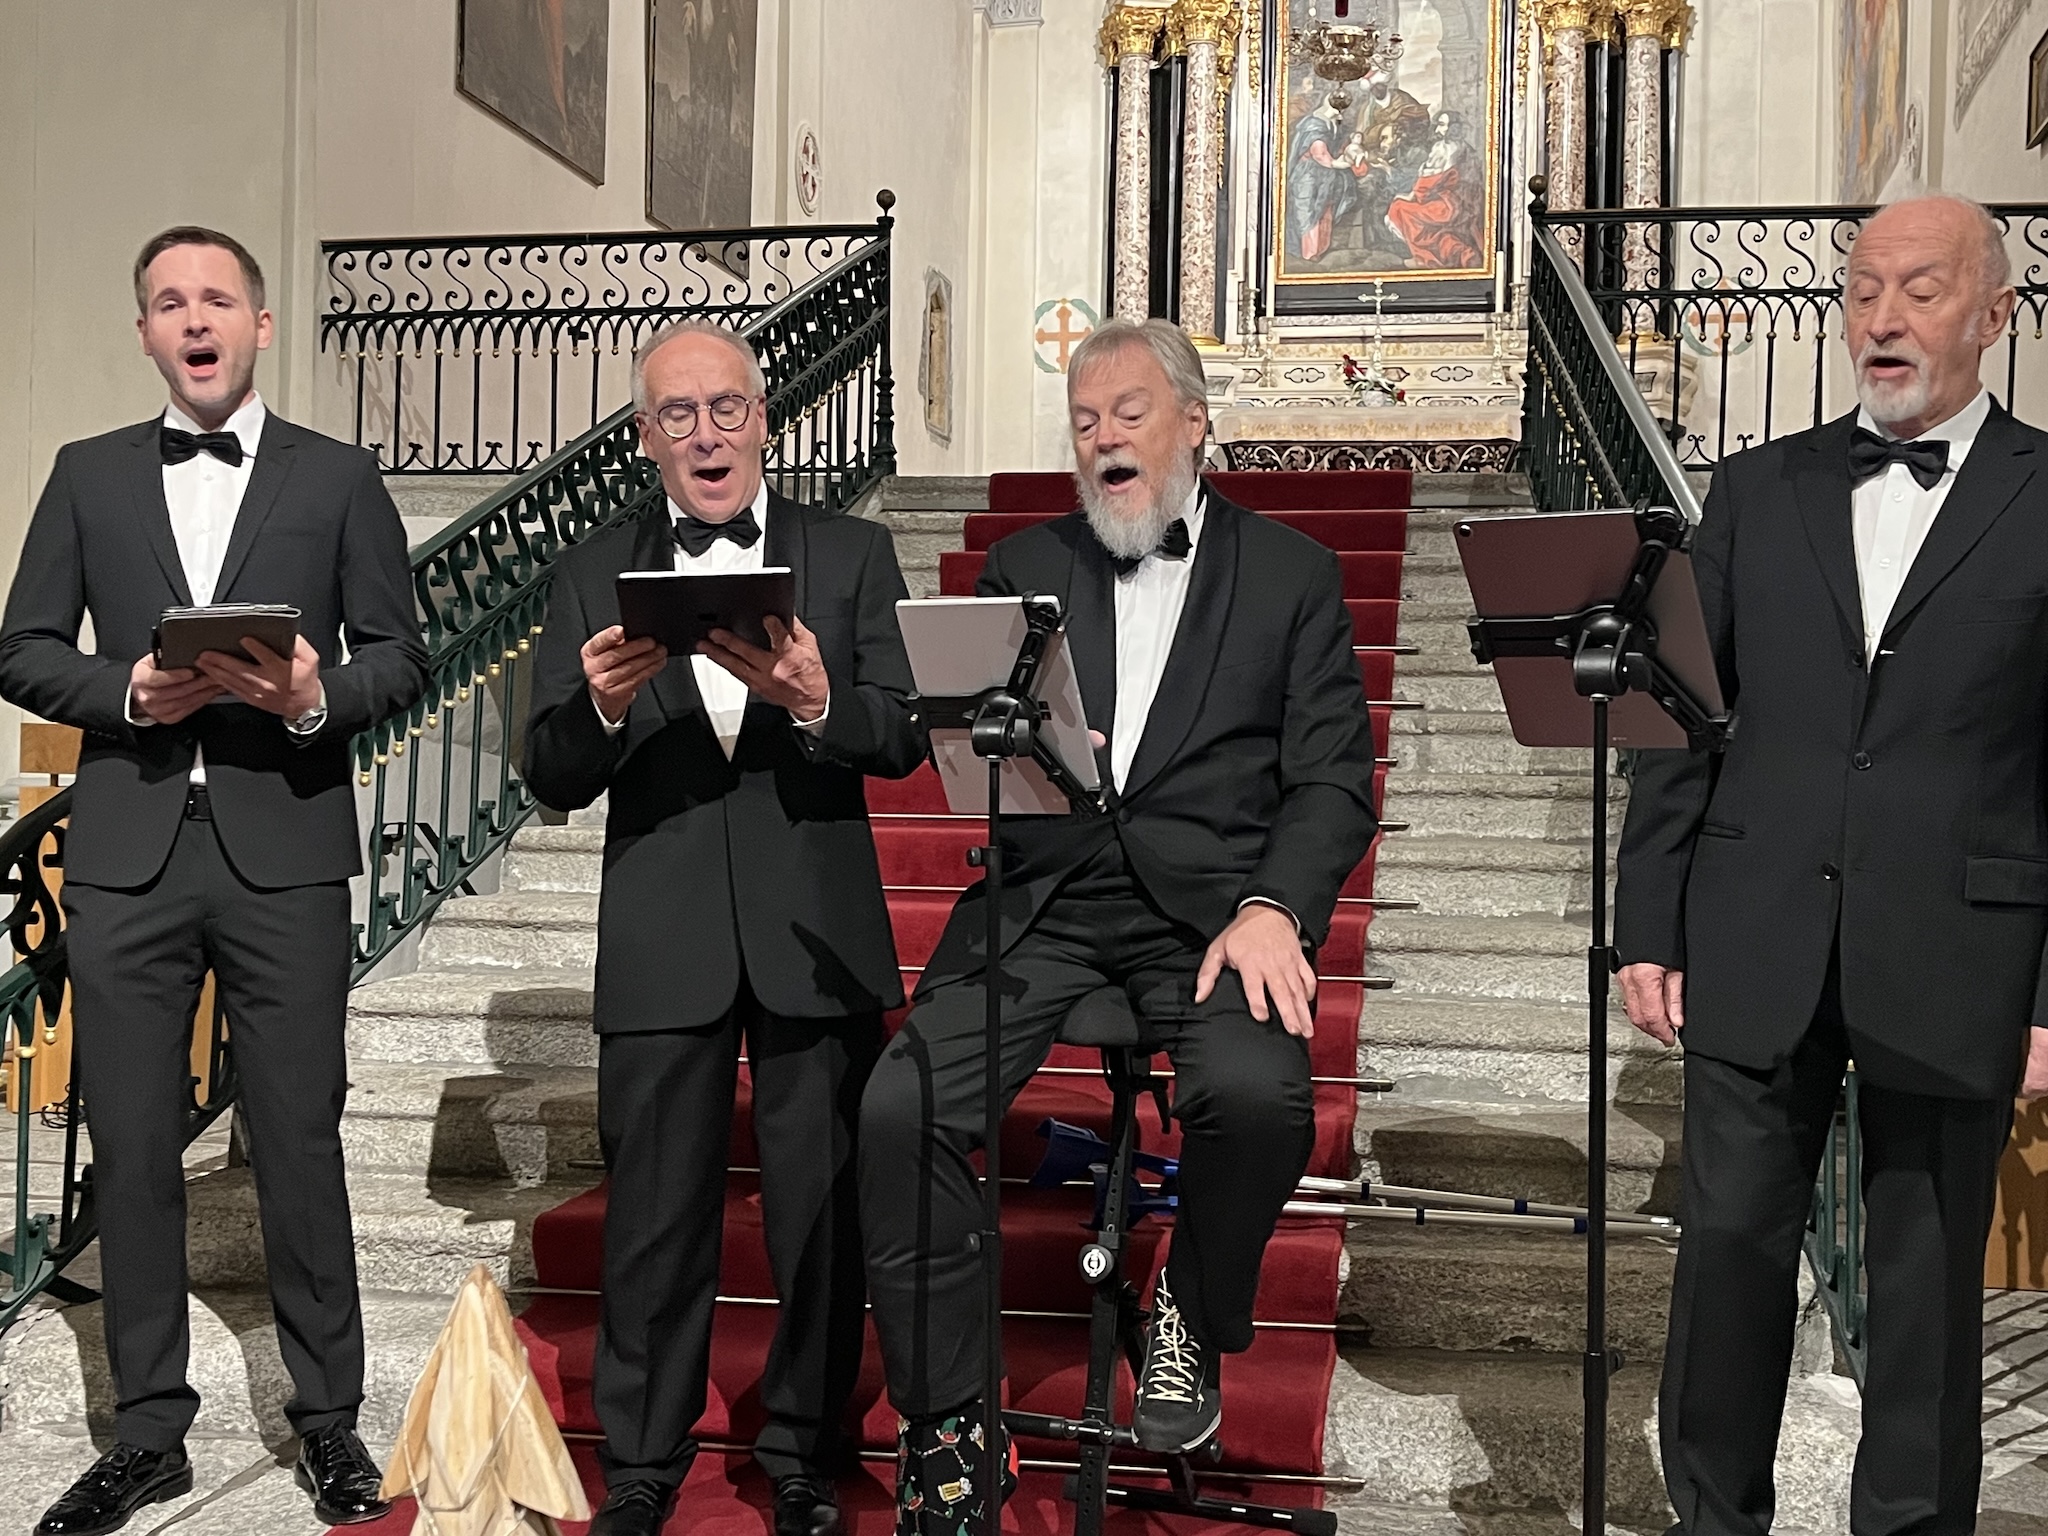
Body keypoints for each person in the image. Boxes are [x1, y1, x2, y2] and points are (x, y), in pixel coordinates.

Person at [860, 318, 1380, 1536]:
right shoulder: (1021, 563)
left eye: (1128, 413)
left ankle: (1190, 1310)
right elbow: (961, 753)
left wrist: (1273, 908)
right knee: (897, 1107)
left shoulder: (1292, 574)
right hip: (1045, 898)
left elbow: (1331, 782)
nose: (1103, 437)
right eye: (1084, 419)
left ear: (1193, 423)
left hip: (1211, 913)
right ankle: (950, 1420)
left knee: (1256, 1098)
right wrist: (1011, 753)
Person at [1615, 190, 2048, 1535]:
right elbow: (1681, 720)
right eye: (1862, 291)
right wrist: (1648, 920)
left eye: (1920, 290)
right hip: (1753, 925)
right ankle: (1712, 1517)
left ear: (1993, 315)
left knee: (1925, 1289)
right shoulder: (1756, 489)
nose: (1881, 317)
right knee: (1726, 1258)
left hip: (1959, 944)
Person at [0, 227, 429, 1534]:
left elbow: (400, 655)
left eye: (218, 299)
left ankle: (329, 1421)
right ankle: (148, 1435)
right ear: (146, 330)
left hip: (283, 849)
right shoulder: (86, 474)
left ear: (260, 323)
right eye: (170, 302)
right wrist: (127, 689)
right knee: (131, 1145)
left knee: (298, 1137)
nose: (195, 319)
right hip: (127, 855)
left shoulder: (338, 477)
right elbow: (23, 647)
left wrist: (312, 698)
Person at [523, 320, 925, 1536]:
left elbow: (905, 734)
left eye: (727, 408)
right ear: (645, 439)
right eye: (677, 415)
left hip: (815, 934)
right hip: (665, 937)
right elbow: (548, 772)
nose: (706, 434)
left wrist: (820, 702)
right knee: (651, 1218)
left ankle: (803, 1451)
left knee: (821, 1215)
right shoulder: (593, 568)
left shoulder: (850, 555)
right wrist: (599, 707)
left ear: (764, 419)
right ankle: (643, 1461)